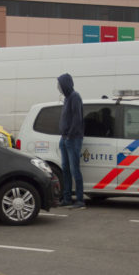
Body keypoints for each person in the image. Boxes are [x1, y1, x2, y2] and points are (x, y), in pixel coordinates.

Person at [57, 73, 85, 209]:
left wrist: (69, 135)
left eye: (60, 85)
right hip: (64, 138)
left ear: (66, 84)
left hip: (73, 139)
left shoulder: (75, 97)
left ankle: (80, 200)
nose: (59, 88)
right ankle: (67, 198)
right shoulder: (67, 98)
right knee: (65, 169)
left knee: (74, 170)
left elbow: (77, 118)